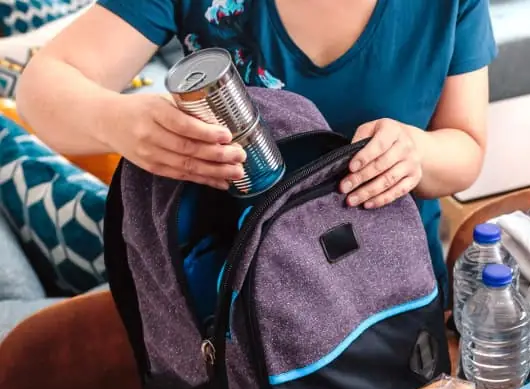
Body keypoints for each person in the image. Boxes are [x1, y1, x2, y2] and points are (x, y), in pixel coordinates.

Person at [17, 0, 496, 301]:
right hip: (238, 317)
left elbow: (466, 147)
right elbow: (41, 88)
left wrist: (416, 152)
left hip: (396, 304)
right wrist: (119, 121)